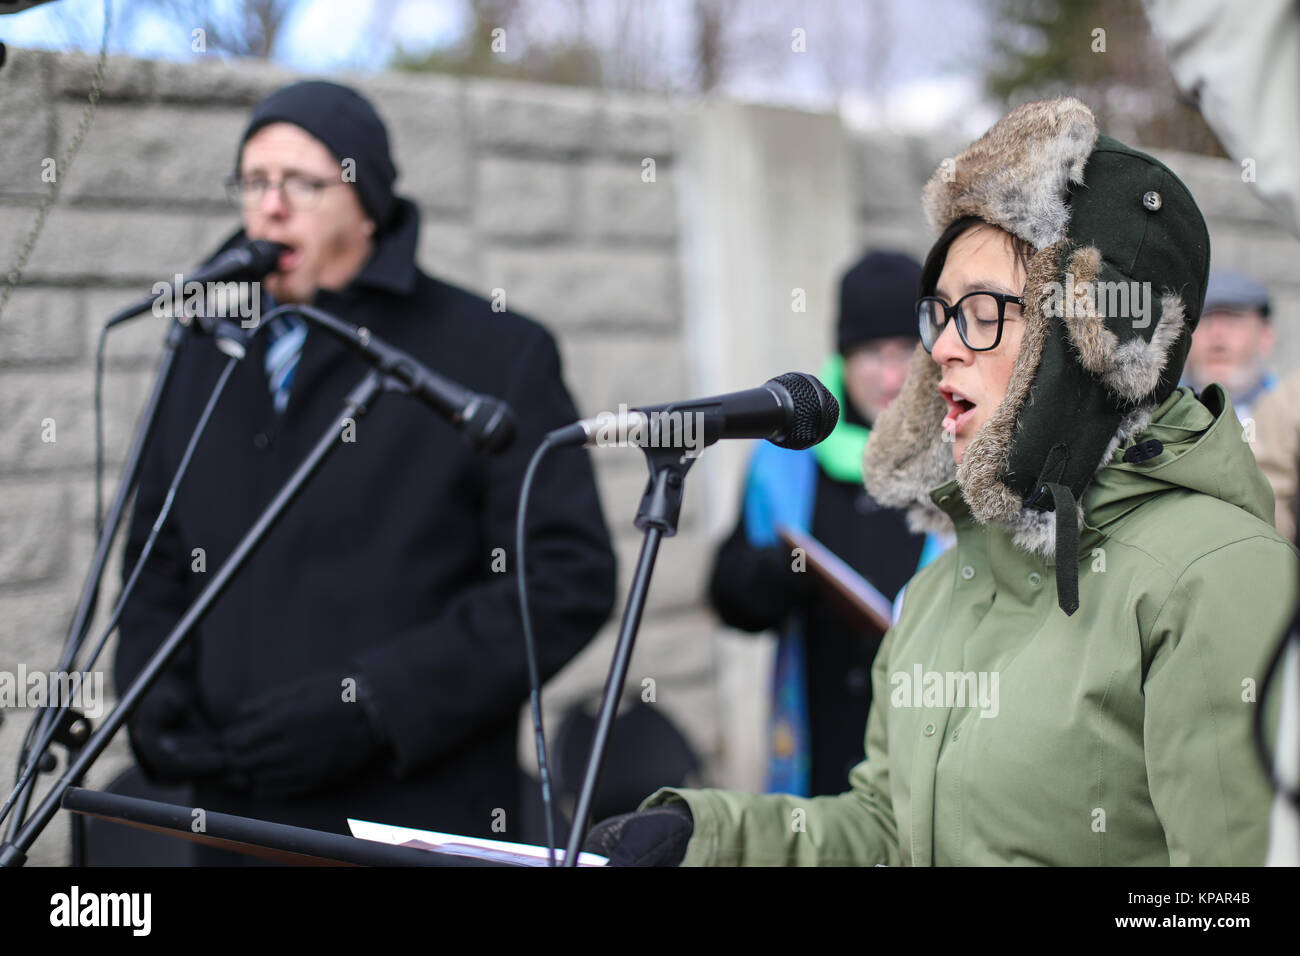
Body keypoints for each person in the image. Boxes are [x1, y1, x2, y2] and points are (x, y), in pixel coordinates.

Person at [584, 97, 1298, 866]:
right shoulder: (944, 584)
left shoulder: (1217, 578)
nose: (943, 349)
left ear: (1094, 338)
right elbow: (890, 832)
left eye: (984, 312)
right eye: (941, 314)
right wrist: (711, 840)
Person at [114, 80, 617, 859]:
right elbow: (156, 551)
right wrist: (146, 691)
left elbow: (564, 581)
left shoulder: (493, 349)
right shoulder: (204, 350)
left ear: (367, 199)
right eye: (254, 181)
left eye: (302, 184)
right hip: (234, 817)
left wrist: (375, 704)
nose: (270, 206)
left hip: (410, 819)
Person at [708, 251, 945, 797]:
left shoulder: (960, 446)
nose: (889, 375)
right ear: (842, 357)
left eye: (905, 352)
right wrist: (775, 575)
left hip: (928, 748)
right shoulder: (787, 457)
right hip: (822, 746)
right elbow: (729, 595)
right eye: (870, 353)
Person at [1182, 269, 1277, 422]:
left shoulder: (1290, 412)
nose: (1217, 335)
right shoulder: (1155, 411)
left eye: (1233, 321)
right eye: (1204, 320)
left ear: (1266, 336)